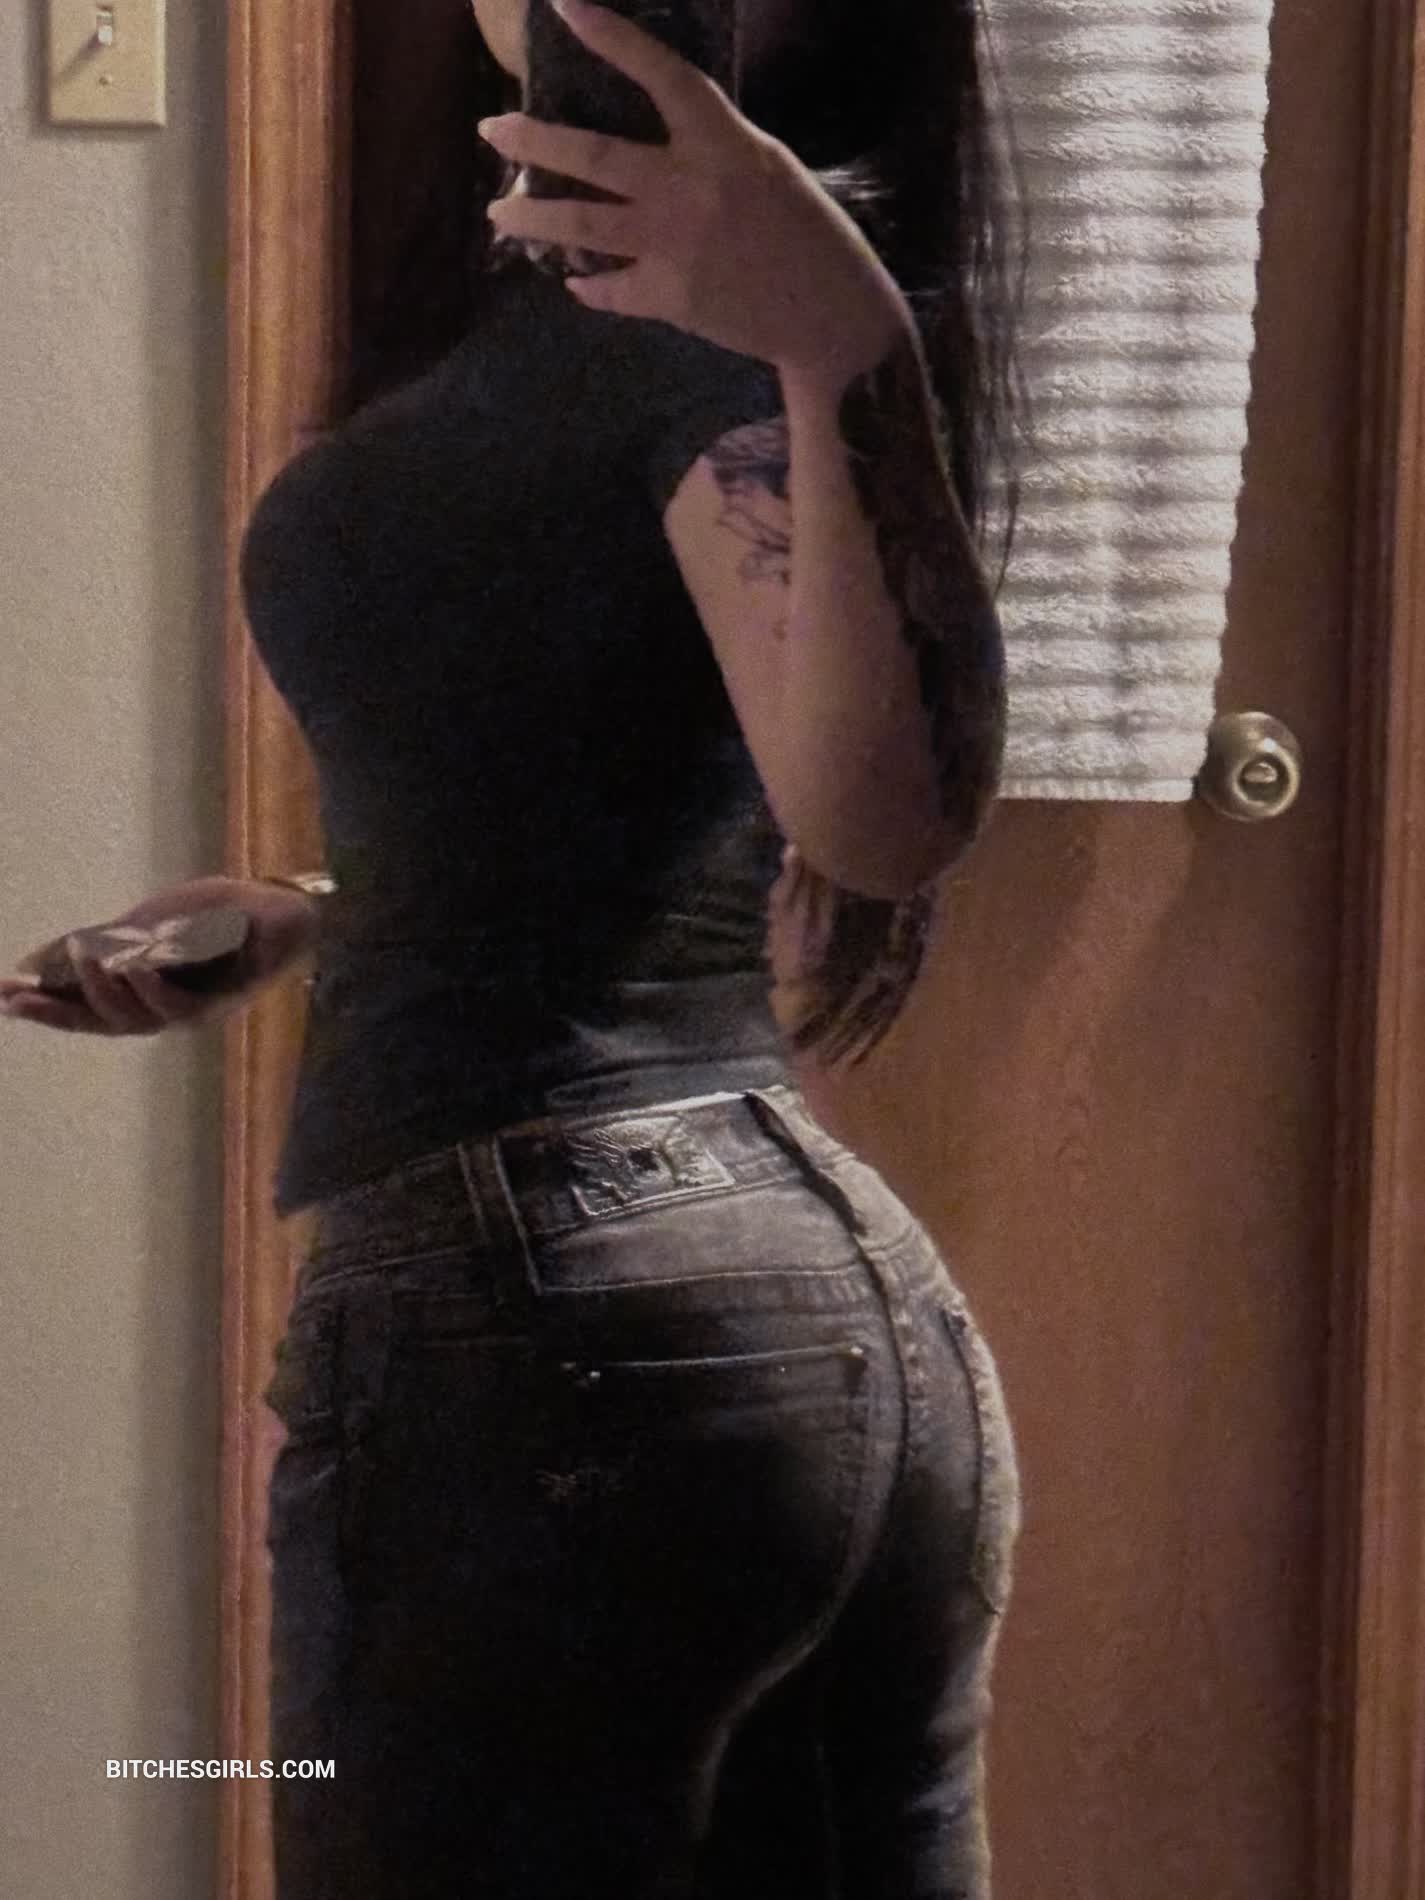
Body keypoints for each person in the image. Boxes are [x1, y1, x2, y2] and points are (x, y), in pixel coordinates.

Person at [1, 0, 1026, 1893]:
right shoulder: (561, 282)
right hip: (774, 1304)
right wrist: (329, 916)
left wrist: (841, 342)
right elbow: (618, 779)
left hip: (560, 1334)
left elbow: (883, 820)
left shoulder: (733, 294)